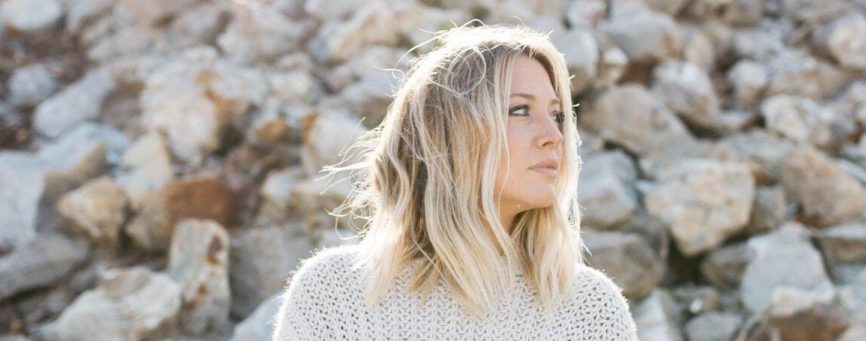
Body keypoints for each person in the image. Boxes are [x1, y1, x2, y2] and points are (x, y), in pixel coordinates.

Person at [272, 24, 639, 340]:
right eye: (520, 110)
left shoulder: (590, 313)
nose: (553, 136)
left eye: (557, 115)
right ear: (446, 134)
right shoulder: (335, 294)